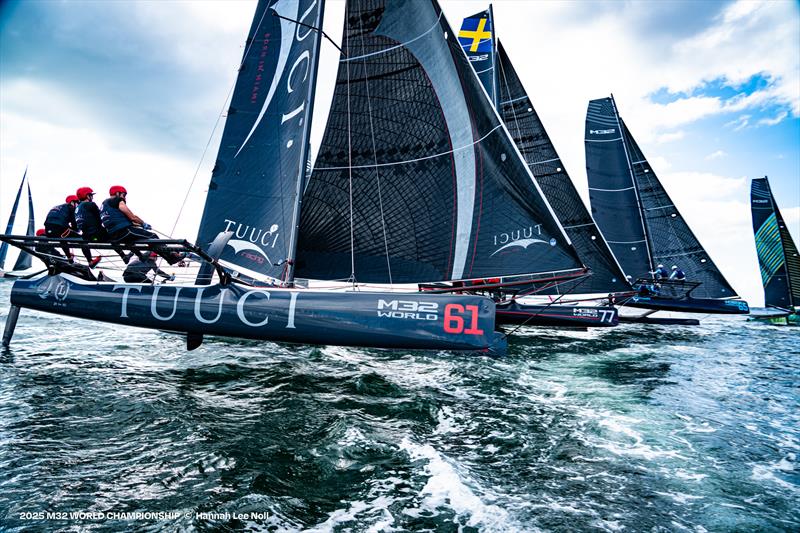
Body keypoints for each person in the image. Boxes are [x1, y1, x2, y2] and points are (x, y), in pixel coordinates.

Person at [100, 185, 181, 264]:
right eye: (124, 195)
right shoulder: (117, 200)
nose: (124, 197)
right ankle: (171, 256)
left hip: (114, 236)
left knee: (148, 241)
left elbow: (123, 220)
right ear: (117, 193)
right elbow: (132, 217)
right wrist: (143, 223)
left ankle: (170, 258)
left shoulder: (104, 205)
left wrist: (139, 225)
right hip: (124, 231)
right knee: (153, 237)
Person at [75, 186, 129, 263]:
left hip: (86, 236)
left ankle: (89, 261)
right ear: (87, 195)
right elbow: (101, 216)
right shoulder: (90, 204)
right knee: (114, 234)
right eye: (91, 195)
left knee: (84, 243)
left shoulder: (77, 208)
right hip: (97, 234)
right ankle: (124, 256)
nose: (92, 197)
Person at [44, 194, 98, 264]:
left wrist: (71, 229)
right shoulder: (71, 207)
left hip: (48, 231)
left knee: (63, 238)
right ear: (72, 202)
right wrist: (77, 230)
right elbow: (74, 223)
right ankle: (90, 261)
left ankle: (69, 257)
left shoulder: (58, 207)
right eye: (77, 203)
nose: (78, 205)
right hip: (59, 229)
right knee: (82, 240)